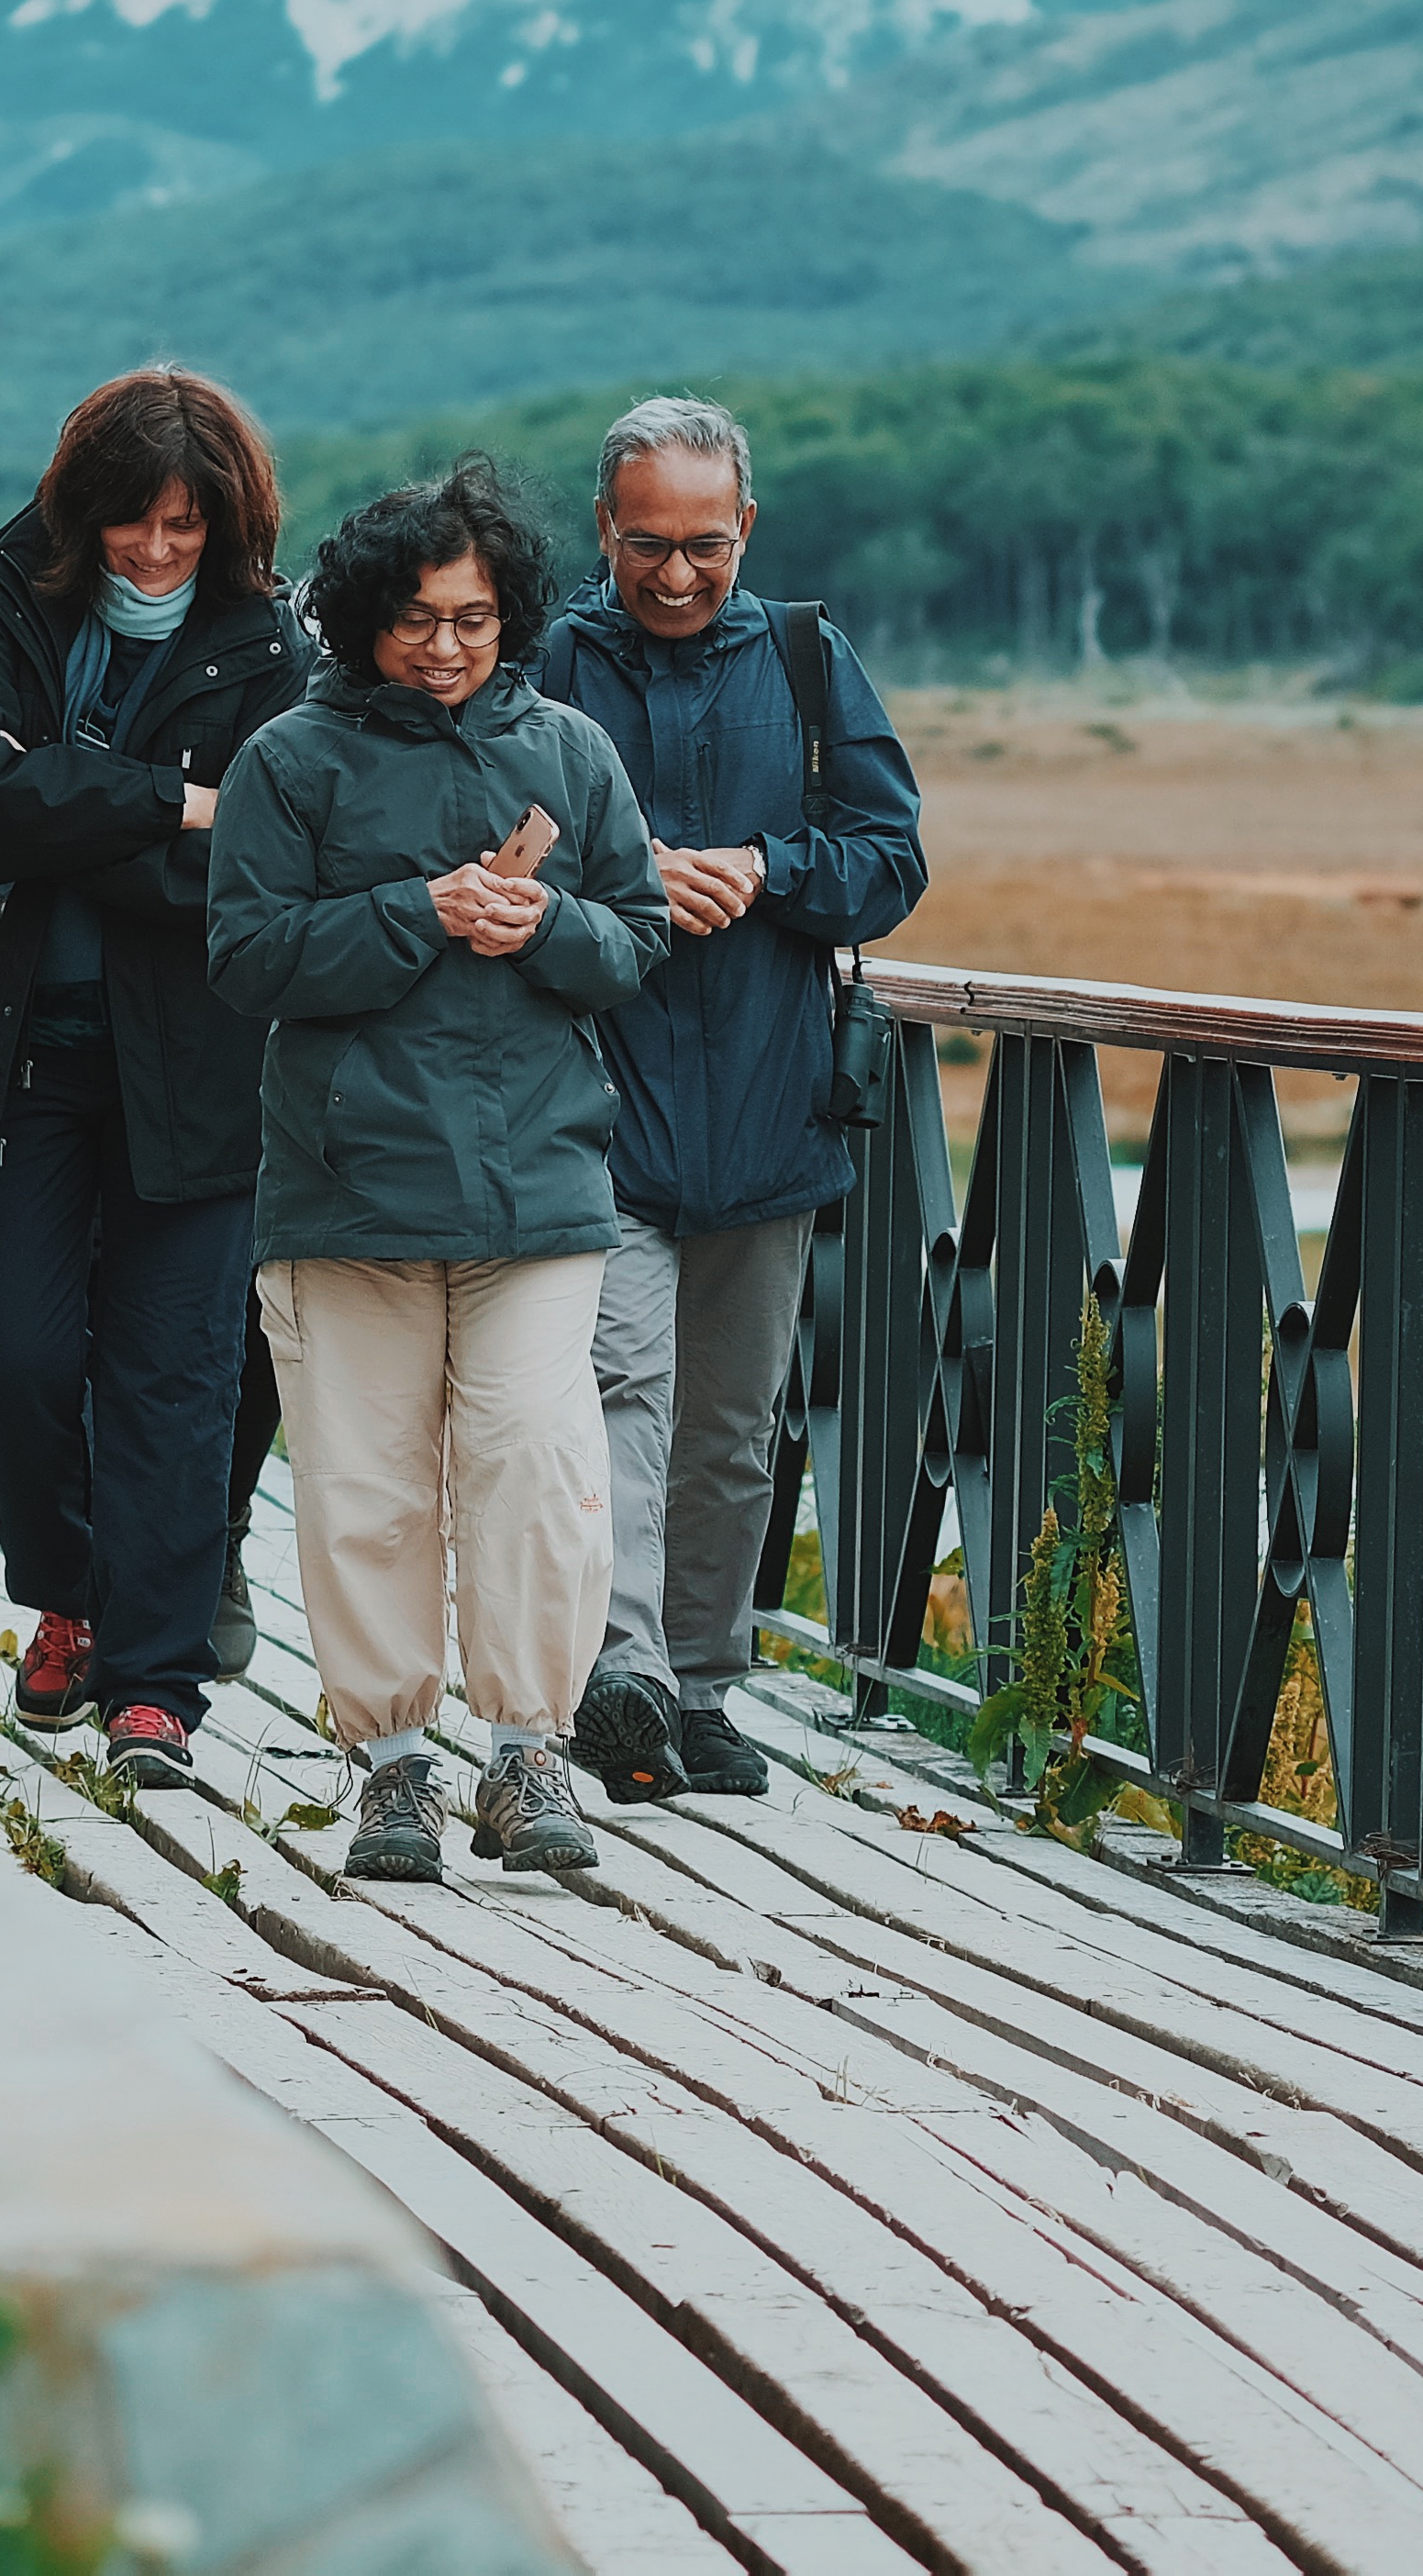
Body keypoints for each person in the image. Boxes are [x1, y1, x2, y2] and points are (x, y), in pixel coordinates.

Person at [208, 457, 667, 1884]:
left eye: (472, 617)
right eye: (416, 619)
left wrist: (546, 928)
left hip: (541, 1183)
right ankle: (391, 1766)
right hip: (347, 1187)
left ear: (510, 610)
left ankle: (527, 1753)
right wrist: (416, 910)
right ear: (362, 619)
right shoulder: (288, 760)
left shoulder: (575, 752)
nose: (448, 645)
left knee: (536, 1465)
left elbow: (638, 938)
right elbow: (245, 960)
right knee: (367, 1489)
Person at [0, 370, 317, 1786]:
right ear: (79, 511)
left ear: (228, 524)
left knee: (176, 1378)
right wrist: (162, 800)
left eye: (185, 527)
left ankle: (155, 1684)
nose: (155, 551)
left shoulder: (268, 643)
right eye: (131, 522)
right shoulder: (6, 595)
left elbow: (255, 858)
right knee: (9, 1352)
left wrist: (64, 813)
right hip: (17, 1046)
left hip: (198, 1061)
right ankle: (70, 1596)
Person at [539, 396, 929, 1807]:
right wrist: (629, 869)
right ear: (605, 527)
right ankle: (624, 1677)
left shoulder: (810, 659)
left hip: (774, 1108)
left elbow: (891, 860)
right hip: (594, 1108)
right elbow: (479, 847)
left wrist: (769, 868)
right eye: (648, 544)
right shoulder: (544, 665)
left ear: (746, 527)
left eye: (706, 545)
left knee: (732, 1423)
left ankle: (702, 1687)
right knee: (618, 1390)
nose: (677, 574)